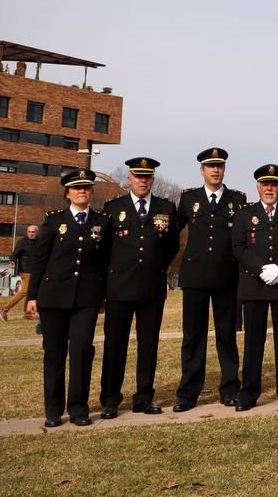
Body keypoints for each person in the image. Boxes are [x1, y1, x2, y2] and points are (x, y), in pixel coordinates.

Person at [25, 169, 111, 427]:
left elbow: (106, 262)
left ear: (91, 191)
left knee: (82, 351)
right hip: (53, 297)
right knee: (54, 353)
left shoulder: (102, 222)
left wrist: (103, 294)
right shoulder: (53, 221)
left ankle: (78, 407)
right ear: (67, 193)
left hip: (86, 297)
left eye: (86, 187)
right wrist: (32, 296)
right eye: (76, 188)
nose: (82, 191)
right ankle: (53, 409)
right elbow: (39, 261)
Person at [99, 157, 180, 418]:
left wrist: (156, 267)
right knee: (115, 344)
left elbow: (171, 245)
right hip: (119, 286)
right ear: (129, 179)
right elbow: (104, 248)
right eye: (138, 176)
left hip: (151, 286)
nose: (142, 181)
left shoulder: (166, 207)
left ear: (152, 180)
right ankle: (111, 399)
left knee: (148, 345)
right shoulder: (113, 208)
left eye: (147, 177)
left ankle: (144, 397)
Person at [174, 146, 247, 411]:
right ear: (202, 170)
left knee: (226, 335)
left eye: (219, 166)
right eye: (210, 166)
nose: (215, 170)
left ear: (224, 169)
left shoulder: (237, 200)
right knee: (193, 336)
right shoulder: (188, 199)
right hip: (195, 277)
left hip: (226, 276)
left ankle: (230, 388)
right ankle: (188, 392)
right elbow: (172, 234)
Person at [231, 163, 278, 410]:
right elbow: (239, 247)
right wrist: (261, 269)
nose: (269, 188)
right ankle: (249, 392)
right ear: (258, 187)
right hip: (254, 285)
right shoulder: (245, 214)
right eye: (265, 184)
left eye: (274, 184)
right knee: (254, 341)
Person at [0, 224, 39, 322]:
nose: (31, 234)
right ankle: (4, 309)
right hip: (25, 270)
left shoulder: (40, 242)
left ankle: (28, 314)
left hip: (36, 271)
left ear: (37, 232)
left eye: (33, 232)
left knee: (31, 292)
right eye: (29, 232)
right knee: (25, 291)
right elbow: (14, 254)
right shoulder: (22, 242)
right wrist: (12, 262)